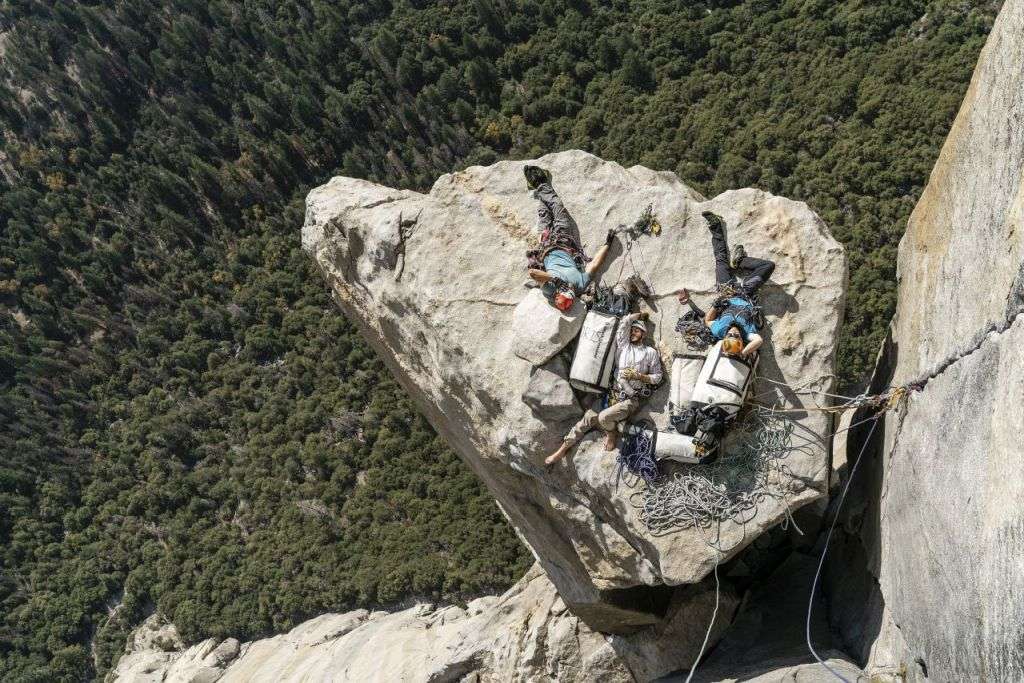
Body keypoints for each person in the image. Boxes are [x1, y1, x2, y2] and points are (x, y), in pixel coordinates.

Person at [545, 312, 663, 465]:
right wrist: (638, 315)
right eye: (632, 330)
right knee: (585, 421)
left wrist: (640, 376)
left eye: (637, 330)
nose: (633, 333)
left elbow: (658, 376)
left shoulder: (650, 353)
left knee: (603, 418)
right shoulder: (623, 346)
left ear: (643, 334)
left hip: (630, 399)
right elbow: (624, 324)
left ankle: (611, 433)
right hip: (610, 394)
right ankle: (561, 451)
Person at [676, 211, 775, 357]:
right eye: (737, 337)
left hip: (726, 292)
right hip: (746, 292)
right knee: (768, 266)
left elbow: (708, 320)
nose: (734, 333)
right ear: (742, 339)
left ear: (725, 337)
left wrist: (716, 306)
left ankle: (715, 226)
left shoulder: (719, 330)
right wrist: (742, 352)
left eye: (731, 336)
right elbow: (758, 341)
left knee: (721, 259)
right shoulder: (748, 334)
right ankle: (740, 261)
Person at [524, 165, 614, 310]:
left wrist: (556, 281)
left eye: (565, 292)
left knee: (544, 213)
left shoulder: (550, 290)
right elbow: (595, 265)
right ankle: (541, 184)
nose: (570, 288)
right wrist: (607, 244)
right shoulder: (580, 285)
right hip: (564, 241)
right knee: (557, 206)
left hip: (546, 245)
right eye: (571, 293)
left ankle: (540, 185)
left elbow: (533, 273)